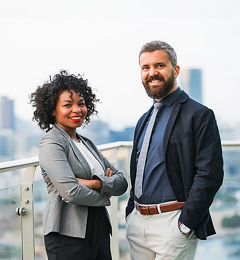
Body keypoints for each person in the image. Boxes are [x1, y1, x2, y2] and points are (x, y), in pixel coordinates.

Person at [126, 40, 224, 260]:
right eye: (146, 67)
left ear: (175, 70)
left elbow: (210, 173)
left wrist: (186, 222)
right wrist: (131, 212)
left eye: (159, 65)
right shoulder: (144, 119)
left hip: (173, 223)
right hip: (138, 223)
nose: (152, 72)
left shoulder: (199, 115)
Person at [30, 70, 128, 260]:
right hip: (68, 234)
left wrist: (96, 184)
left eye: (81, 104)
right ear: (52, 110)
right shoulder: (52, 142)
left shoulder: (86, 143)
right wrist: (106, 194)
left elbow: (122, 181)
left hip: (98, 228)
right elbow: (71, 192)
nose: (77, 110)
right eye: (68, 105)